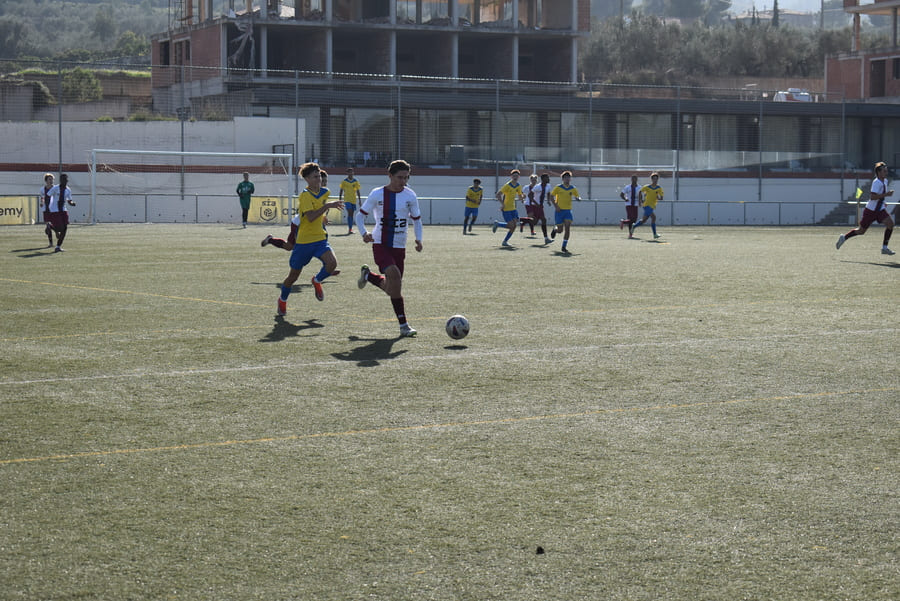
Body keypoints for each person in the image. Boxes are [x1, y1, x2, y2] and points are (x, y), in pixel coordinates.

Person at [354, 159, 423, 338]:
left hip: (399, 246)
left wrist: (418, 239)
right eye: (400, 177)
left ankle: (369, 276)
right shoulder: (377, 194)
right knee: (394, 274)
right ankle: (404, 326)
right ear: (390, 175)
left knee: (393, 289)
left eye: (406, 178)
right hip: (380, 243)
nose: (403, 181)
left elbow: (417, 219)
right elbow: (359, 217)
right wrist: (364, 233)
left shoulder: (410, 195)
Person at [275, 162, 344, 316]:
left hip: (320, 239)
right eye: (314, 177)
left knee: (332, 263)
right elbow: (311, 217)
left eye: (319, 175)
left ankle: (317, 280)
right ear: (306, 179)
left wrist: (324, 217)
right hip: (304, 242)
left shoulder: (325, 192)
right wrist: (327, 208)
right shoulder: (305, 195)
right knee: (293, 277)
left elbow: (319, 212)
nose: (318, 179)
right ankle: (282, 300)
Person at [836, 161, 895, 255]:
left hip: (879, 210)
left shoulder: (885, 181)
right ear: (879, 172)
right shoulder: (876, 183)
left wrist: (883, 202)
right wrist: (887, 194)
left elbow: (880, 196)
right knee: (861, 231)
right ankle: (844, 237)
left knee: (890, 224)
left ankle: (884, 247)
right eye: (884, 171)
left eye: (886, 171)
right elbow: (872, 197)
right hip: (870, 211)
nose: (886, 173)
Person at [550, 170, 581, 254]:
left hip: (568, 211)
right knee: (560, 230)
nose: (567, 179)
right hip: (559, 211)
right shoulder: (558, 187)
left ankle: (564, 246)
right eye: (565, 177)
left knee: (567, 227)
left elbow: (577, 196)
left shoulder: (573, 188)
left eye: (568, 177)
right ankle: (555, 229)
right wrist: (556, 206)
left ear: (570, 179)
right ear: (562, 179)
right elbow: (551, 196)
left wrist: (578, 198)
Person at [492, 169, 523, 247]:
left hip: (513, 208)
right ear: (511, 176)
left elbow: (520, 197)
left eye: (516, 176)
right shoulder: (507, 185)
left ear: (519, 177)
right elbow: (498, 195)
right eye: (514, 176)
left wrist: (523, 197)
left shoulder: (518, 185)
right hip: (506, 209)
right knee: (511, 225)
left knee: (514, 226)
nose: (515, 177)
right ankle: (498, 224)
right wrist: (502, 204)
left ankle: (505, 241)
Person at [47, 173, 75, 253]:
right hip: (55, 210)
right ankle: (50, 226)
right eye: (63, 180)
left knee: (65, 228)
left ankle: (58, 247)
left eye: (66, 180)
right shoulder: (55, 188)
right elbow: (48, 195)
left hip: (63, 209)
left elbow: (69, 200)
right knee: (60, 228)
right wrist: (48, 208)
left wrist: (72, 203)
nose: (65, 181)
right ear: (60, 180)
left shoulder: (68, 189)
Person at [632, 172, 663, 240]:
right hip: (646, 205)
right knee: (654, 217)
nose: (655, 180)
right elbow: (640, 192)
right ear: (651, 179)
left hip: (652, 205)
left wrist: (657, 196)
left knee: (644, 220)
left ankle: (634, 226)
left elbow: (661, 198)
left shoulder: (659, 188)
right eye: (654, 178)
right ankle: (655, 234)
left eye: (656, 179)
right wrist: (640, 200)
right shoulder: (647, 187)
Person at [529, 173, 553, 245]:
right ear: (543, 179)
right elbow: (530, 195)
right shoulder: (537, 187)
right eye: (547, 178)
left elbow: (548, 193)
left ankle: (523, 221)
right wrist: (536, 204)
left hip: (540, 206)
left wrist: (548, 200)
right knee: (543, 220)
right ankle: (546, 239)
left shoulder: (548, 186)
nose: (549, 179)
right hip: (535, 206)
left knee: (535, 222)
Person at [339, 167, 362, 234]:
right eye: (349, 172)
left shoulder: (355, 181)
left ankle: (350, 229)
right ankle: (350, 229)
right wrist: (340, 199)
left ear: (353, 173)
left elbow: (358, 191)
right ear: (347, 173)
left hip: (353, 200)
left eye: (352, 172)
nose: (351, 173)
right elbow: (341, 190)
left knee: (351, 214)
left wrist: (360, 200)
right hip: (347, 199)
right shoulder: (344, 181)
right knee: (350, 212)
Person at [619, 174, 641, 239]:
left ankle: (623, 222)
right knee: (631, 219)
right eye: (633, 178)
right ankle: (630, 234)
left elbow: (640, 195)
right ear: (631, 179)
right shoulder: (627, 187)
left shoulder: (639, 187)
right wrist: (625, 198)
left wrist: (640, 201)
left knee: (634, 220)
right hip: (629, 204)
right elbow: (621, 194)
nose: (634, 180)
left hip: (635, 204)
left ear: (637, 180)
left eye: (635, 178)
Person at [39, 173, 55, 247]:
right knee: (48, 226)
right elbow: (42, 197)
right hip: (46, 210)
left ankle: (55, 231)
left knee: (55, 225)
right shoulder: (42, 189)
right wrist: (42, 203)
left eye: (52, 179)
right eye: (49, 179)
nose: (51, 181)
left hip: (54, 209)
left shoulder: (55, 188)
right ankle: (51, 243)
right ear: (46, 180)